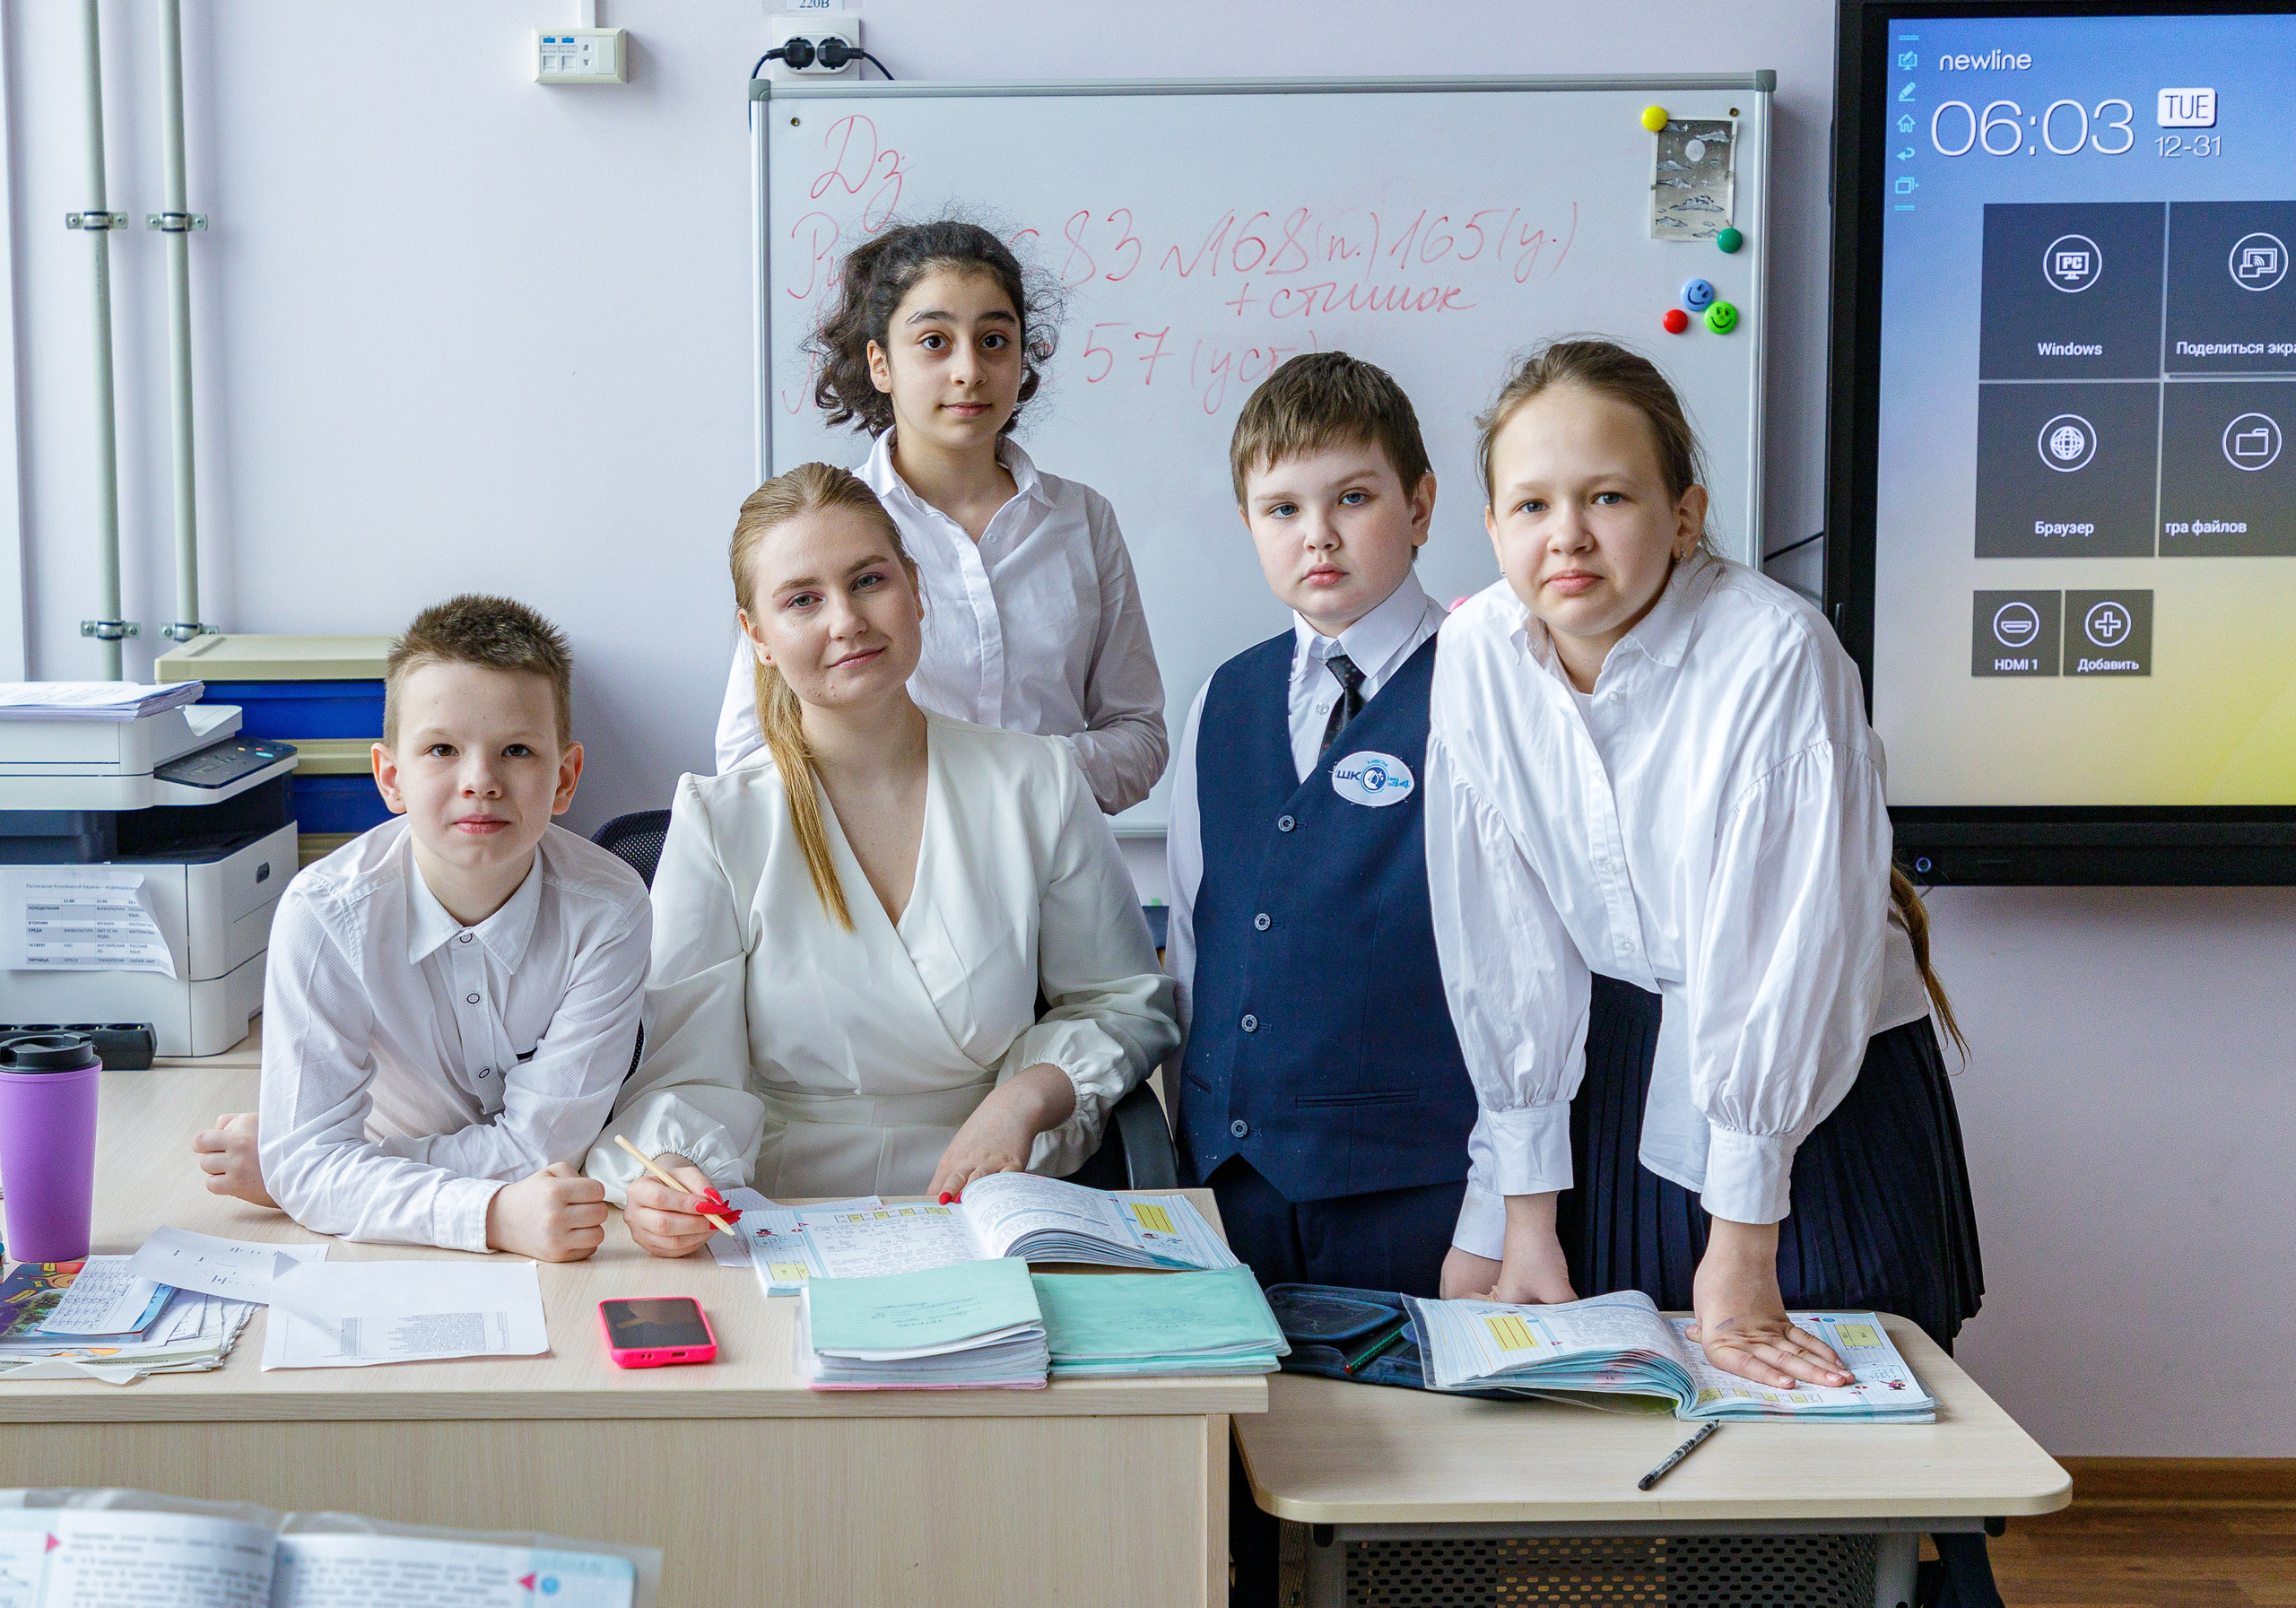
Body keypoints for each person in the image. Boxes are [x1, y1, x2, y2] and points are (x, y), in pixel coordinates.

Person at [1427, 339, 1983, 1388]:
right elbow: (1507, 947)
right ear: (1492, 525)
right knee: (1651, 1427)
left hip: (1812, 1082)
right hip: (1627, 1066)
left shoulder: (1773, 649)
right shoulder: (1476, 653)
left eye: (1607, 497)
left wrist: (1741, 1252)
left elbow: (1777, 962)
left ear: (1684, 515)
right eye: (1532, 506)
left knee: (1835, 1431)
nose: (1568, 538)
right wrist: (1522, 1216)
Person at [596, 464, 1177, 1254]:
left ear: (915, 587)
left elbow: (1120, 1000)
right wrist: (670, 1172)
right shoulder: (720, 819)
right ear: (757, 636)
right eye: (802, 599)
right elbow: (686, 1072)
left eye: (868, 580)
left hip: (995, 1203)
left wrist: (1024, 1100)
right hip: (780, 1218)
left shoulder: (1034, 780)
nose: (846, 620)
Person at [1165, 352, 1502, 1299]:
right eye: (1281, 509)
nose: (1317, 535)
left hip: (1417, 1190)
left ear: (1421, 506)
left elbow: (1522, 975)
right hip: (1234, 1190)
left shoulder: (1484, 686)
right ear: (1248, 523)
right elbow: (1199, 937)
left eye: (1352, 498)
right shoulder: (1223, 697)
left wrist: (1500, 1202)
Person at [191, 595, 648, 1261]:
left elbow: (543, 1150)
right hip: (408, 1251)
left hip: (573, 1211)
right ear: (390, 776)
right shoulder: (322, 913)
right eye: (441, 748)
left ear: (565, 777)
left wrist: (325, 1173)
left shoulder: (610, 907)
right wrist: (488, 1213)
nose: (480, 781)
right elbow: (315, 1166)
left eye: (516, 749)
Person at [713, 218, 1166, 815]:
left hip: (1053, 872)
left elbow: (1138, 737)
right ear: (880, 363)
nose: (969, 371)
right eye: (934, 342)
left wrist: (1009, 784)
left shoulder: (1082, 519)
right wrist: (909, 796)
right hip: (880, 879)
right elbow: (748, 754)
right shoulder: (819, 528)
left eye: (994, 340)